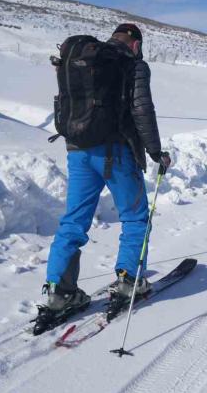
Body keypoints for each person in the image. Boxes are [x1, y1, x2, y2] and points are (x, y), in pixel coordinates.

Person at [43, 23, 171, 315]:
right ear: (136, 44)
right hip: (115, 153)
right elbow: (142, 109)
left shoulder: (87, 60)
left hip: (77, 150)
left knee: (73, 222)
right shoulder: (131, 64)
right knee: (136, 218)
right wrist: (155, 151)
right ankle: (129, 281)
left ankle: (59, 292)